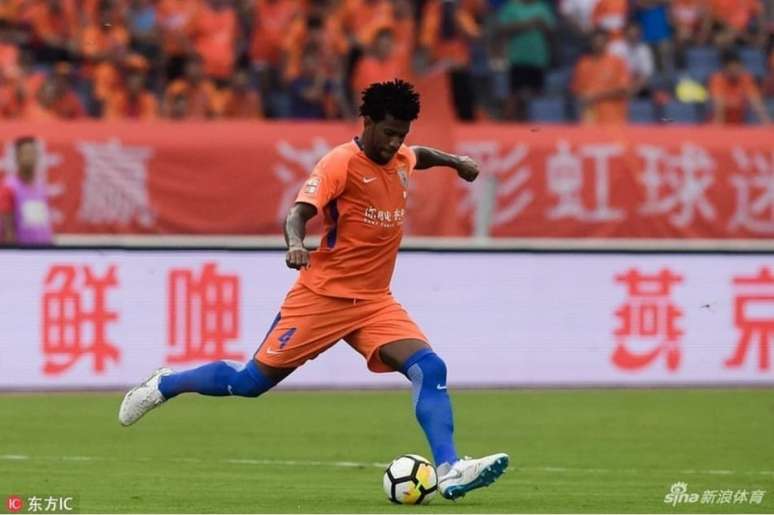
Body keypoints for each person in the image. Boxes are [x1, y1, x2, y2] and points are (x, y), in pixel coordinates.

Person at [118, 79, 509, 500]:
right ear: (368, 121)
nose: (394, 143)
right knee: (250, 382)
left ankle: (449, 467)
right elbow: (299, 212)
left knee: (430, 368)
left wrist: (456, 162)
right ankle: (166, 383)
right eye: (388, 132)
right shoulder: (339, 163)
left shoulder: (400, 158)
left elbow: (421, 156)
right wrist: (293, 243)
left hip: (375, 303)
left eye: (402, 134)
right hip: (321, 298)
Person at [0, 136, 53, 245]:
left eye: (33, 153)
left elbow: (45, 222)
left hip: (43, 249)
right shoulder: (9, 187)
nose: (30, 157)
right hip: (23, 253)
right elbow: (7, 226)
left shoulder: (41, 185)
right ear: (17, 156)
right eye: (26, 153)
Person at [709, 49, 770, 124]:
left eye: (738, 67)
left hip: (739, 124)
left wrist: (767, 123)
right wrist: (719, 131)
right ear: (725, 68)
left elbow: (756, 102)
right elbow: (719, 107)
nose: (735, 70)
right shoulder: (717, 79)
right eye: (732, 68)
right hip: (718, 124)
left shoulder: (746, 78)